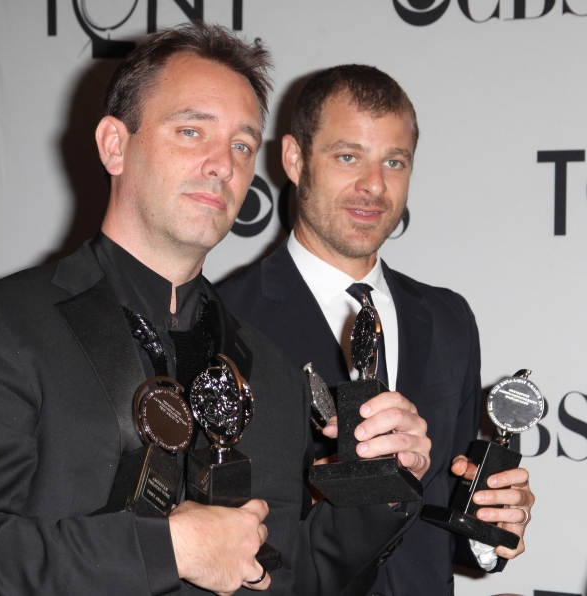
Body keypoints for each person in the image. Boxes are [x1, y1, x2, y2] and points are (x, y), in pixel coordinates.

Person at [0, 28, 432, 596]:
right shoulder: (7, 325)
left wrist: (381, 484)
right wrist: (167, 551)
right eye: (191, 131)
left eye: (243, 145)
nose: (222, 163)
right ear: (114, 145)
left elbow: (296, 577)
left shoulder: (269, 369)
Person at [217, 65, 535, 596]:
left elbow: (440, 517)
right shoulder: (226, 316)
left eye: (394, 161)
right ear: (295, 159)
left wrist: (488, 525)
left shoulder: (449, 318)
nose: (374, 186)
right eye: (348, 157)